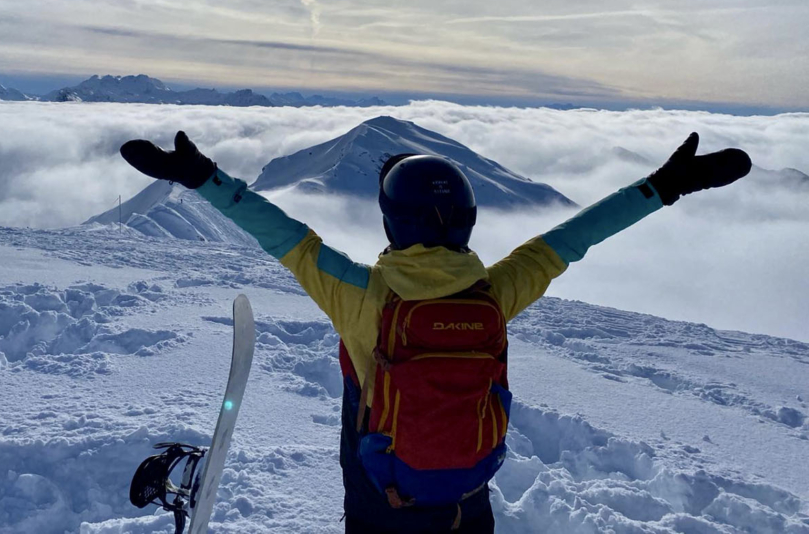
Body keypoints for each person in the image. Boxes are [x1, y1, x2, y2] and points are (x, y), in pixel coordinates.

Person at [120, 129, 751, 533]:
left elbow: (285, 236)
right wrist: (662, 187)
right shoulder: (496, 294)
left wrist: (202, 177)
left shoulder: (361, 295)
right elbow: (573, 238)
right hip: (466, 500)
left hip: (379, 500)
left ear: (393, 223)